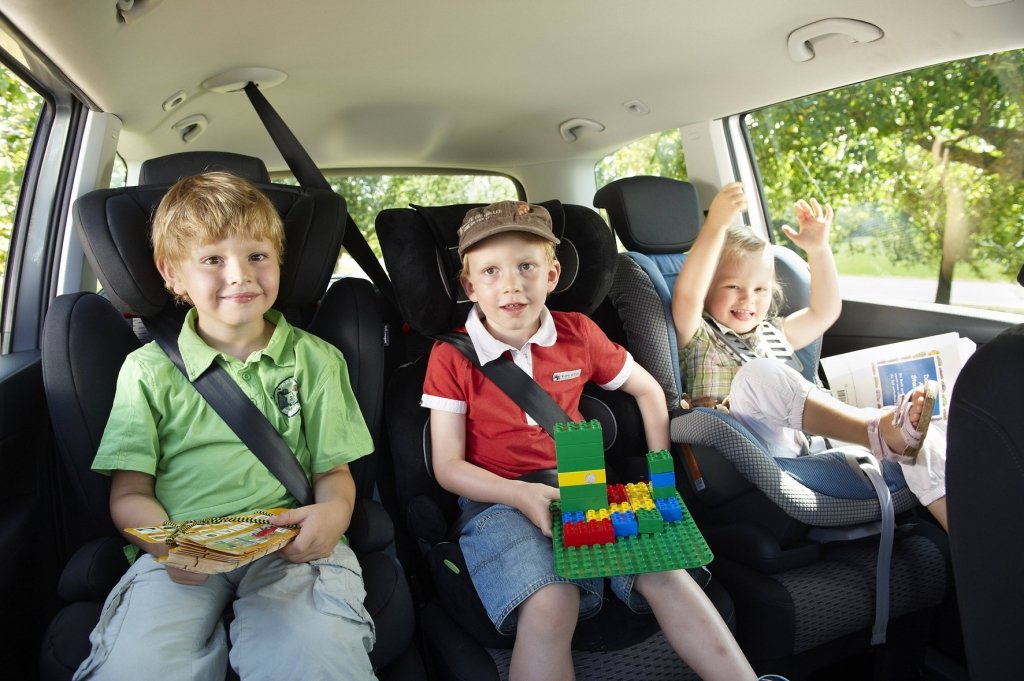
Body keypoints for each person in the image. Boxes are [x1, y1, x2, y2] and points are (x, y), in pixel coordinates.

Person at [421, 200, 786, 681]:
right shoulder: (452, 357)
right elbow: (448, 466)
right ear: (470, 286)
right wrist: (520, 494)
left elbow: (649, 390)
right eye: (490, 271)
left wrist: (661, 475)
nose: (510, 284)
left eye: (526, 267)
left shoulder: (578, 334)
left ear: (551, 275)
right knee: (553, 599)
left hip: (585, 489)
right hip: (499, 500)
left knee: (665, 570)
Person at [75, 172, 378, 681]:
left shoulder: (316, 361)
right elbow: (130, 492)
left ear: (279, 262)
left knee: (316, 657)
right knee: (138, 666)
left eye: (257, 255)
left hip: (289, 548)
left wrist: (334, 515)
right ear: (173, 275)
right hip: (183, 552)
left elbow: (335, 473)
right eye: (213, 260)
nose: (240, 275)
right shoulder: (148, 371)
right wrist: (168, 546)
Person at [672, 181, 948, 531]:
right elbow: (686, 297)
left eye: (759, 289)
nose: (748, 300)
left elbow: (825, 311)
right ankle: (876, 430)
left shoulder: (775, 332)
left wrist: (818, 250)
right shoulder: (697, 335)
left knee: (927, 432)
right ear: (708, 288)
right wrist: (715, 227)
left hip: (803, 441)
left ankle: (968, 545)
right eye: (732, 287)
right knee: (758, 374)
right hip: (746, 451)